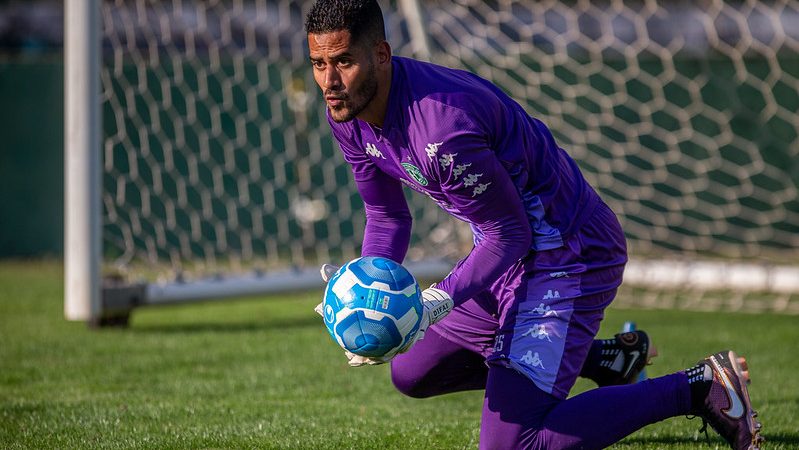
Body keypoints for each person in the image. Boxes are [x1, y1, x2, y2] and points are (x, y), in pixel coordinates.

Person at [305, 1, 762, 449]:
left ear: (380, 54)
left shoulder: (443, 130)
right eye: (318, 63)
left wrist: (435, 303)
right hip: (506, 255)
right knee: (413, 372)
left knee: (512, 444)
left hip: (568, 255)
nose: (329, 80)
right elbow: (387, 215)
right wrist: (366, 296)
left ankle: (700, 387)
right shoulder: (347, 111)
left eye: (343, 61)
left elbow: (512, 233)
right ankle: (607, 357)